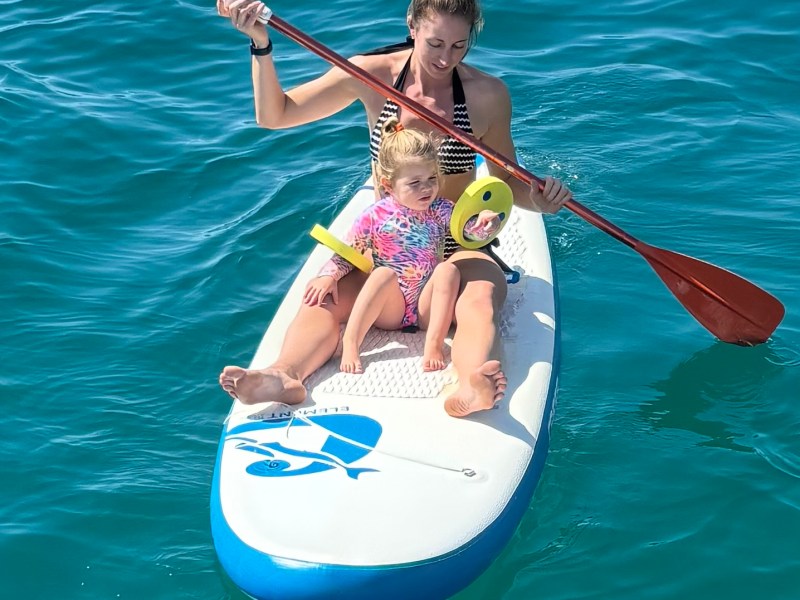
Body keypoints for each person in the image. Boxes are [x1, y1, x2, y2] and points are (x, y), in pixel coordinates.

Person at [217, 0, 573, 417]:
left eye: (459, 46)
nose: (445, 58)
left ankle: (472, 382)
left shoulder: (486, 95)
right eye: (435, 42)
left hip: (454, 245)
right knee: (323, 298)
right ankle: (284, 375)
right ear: (412, 25)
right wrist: (261, 44)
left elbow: (507, 182)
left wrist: (541, 202)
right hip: (385, 252)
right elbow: (275, 115)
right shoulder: (373, 74)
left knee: (479, 298)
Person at [305, 117, 500, 374]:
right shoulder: (374, 215)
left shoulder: (441, 209)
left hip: (425, 306)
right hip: (390, 308)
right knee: (382, 274)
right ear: (388, 186)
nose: (427, 188)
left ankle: (433, 342)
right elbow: (349, 252)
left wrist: (486, 224)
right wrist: (328, 276)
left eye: (432, 178)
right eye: (414, 183)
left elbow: (468, 232)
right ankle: (351, 341)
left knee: (447, 271)